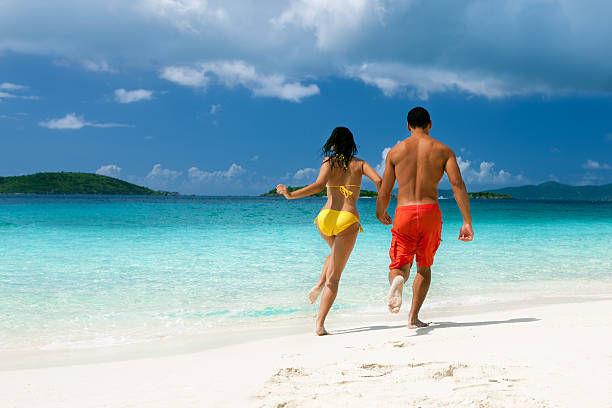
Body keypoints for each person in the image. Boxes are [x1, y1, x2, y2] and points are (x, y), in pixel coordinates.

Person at [277, 127, 382, 336]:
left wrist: (290, 195)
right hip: (347, 218)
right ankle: (320, 324)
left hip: (325, 217)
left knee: (334, 253)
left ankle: (318, 284)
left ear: (333, 144)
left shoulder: (328, 162)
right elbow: (379, 181)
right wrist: (382, 208)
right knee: (334, 278)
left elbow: (318, 186)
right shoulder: (360, 164)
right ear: (351, 143)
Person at [376, 107, 474, 328]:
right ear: (430, 124)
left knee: (399, 264)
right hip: (430, 211)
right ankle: (413, 318)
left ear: (408, 125)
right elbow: (457, 184)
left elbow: (385, 189)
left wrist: (380, 211)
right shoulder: (444, 150)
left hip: (404, 211)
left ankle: (398, 280)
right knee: (424, 267)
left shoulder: (395, 152)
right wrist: (466, 221)